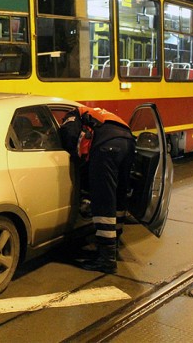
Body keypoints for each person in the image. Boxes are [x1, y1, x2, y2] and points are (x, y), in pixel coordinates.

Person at [59, 106, 135, 273]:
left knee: (103, 198)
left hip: (106, 147)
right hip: (128, 143)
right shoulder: (97, 112)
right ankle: (113, 244)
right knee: (118, 195)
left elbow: (70, 135)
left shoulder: (73, 114)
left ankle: (106, 258)